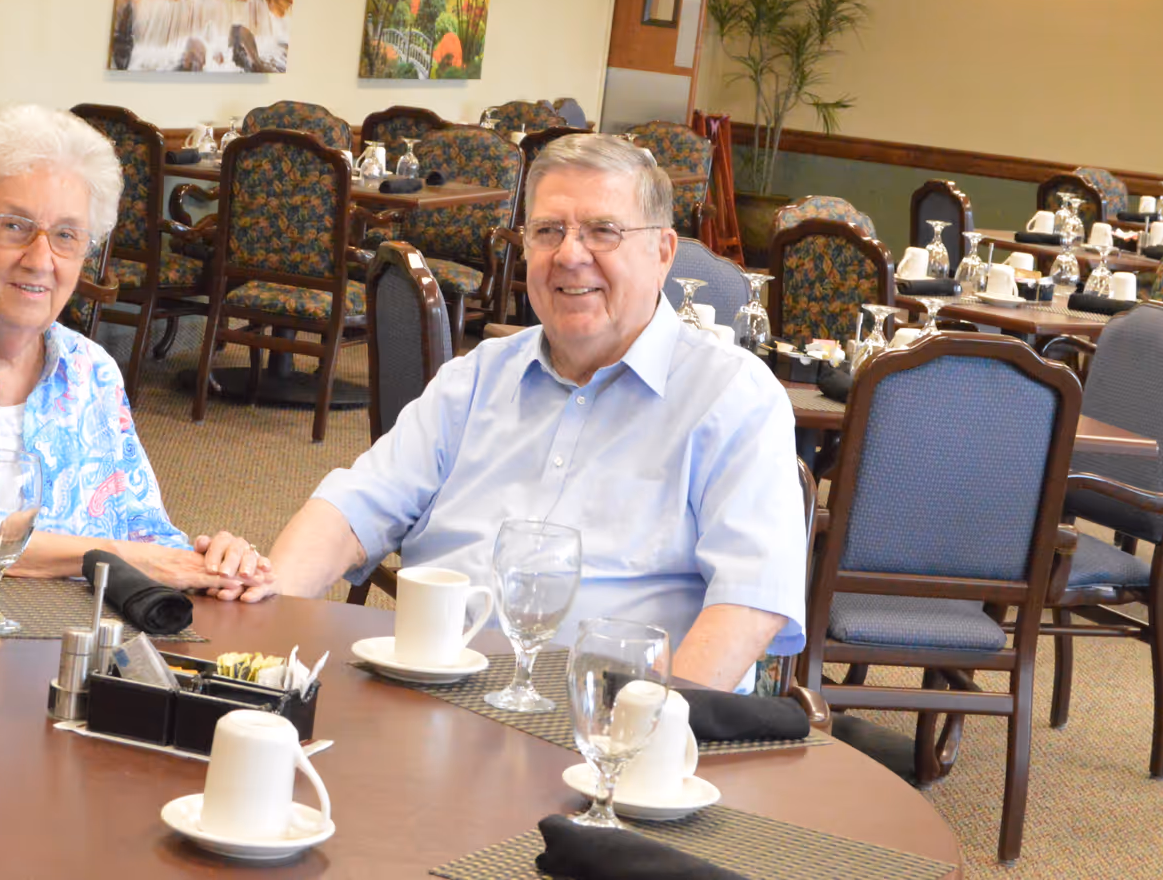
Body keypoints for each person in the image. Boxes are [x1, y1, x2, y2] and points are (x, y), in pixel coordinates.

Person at [257, 134, 804, 689]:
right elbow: (351, 509)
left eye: (602, 231)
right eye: (548, 231)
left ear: (662, 253)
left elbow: (750, 600)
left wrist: (651, 733)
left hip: (606, 722)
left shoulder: (732, 396)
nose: (569, 254)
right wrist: (264, 606)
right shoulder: (478, 377)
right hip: (432, 691)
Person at [0, 103, 265, 597]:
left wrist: (220, 562)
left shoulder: (92, 371)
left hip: (65, 657)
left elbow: (147, 534)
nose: (41, 260)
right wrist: (111, 557)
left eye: (66, 236)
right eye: (14, 226)